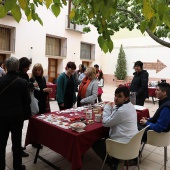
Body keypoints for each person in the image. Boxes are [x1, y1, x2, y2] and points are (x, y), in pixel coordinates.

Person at [92, 86, 138, 170]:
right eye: (115, 95)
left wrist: (107, 107)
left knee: (95, 143)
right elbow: (116, 113)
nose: (116, 98)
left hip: (123, 144)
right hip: (132, 142)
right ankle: (116, 160)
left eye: (119, 96)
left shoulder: (122, 111)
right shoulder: (129, 105)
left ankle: (113, 164)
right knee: (105, 134)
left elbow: (105, 123)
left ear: (126, 98)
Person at [0, 57, 31, 170]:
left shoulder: (0, 81)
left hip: (2, 116)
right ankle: (17, 166)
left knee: (1, 143)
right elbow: (27, 101)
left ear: (6, 67)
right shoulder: (22, 82)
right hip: (17, 116)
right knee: (17, 142)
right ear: (17, 67)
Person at [18, 57, 37, 156]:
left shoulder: (24, 74)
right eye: (27, 66)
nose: (28, 69)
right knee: (17, 128)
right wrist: (30, 84)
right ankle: (17, 149)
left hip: (24, 104)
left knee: (19, 128)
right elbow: (22, 86)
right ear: (23, 66)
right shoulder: (19, 74)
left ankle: (17, 147)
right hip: (19, 104)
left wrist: (30, 83)